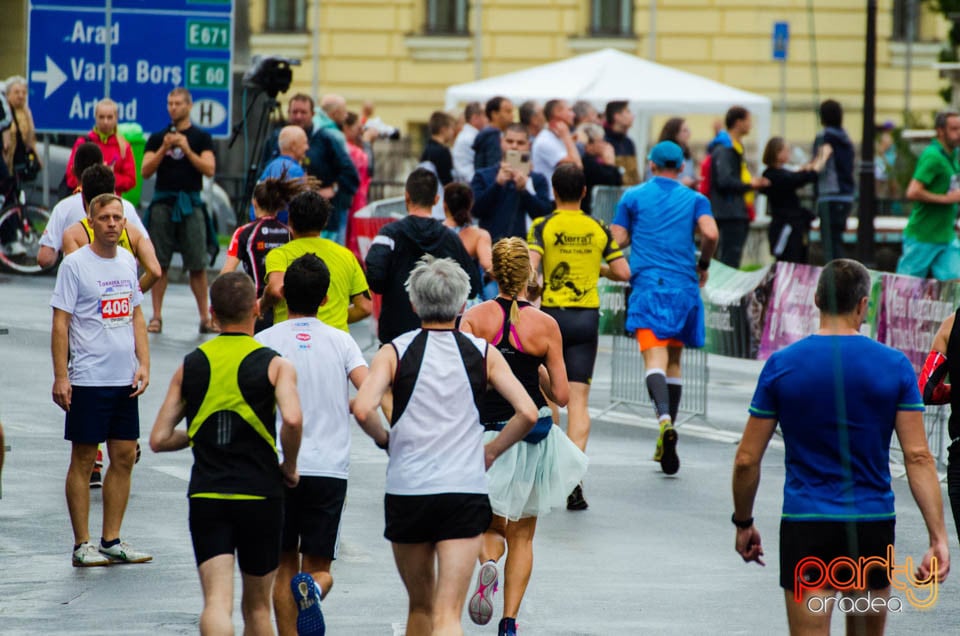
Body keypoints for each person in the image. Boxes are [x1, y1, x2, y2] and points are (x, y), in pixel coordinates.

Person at [733, 259, 950, 636]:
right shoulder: (894, 366)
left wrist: (744, 522)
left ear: (816, 299)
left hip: (807, 529)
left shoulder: (781, 366)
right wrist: (938, 538)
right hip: (870, 529)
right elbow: (917, 456)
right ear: (864, 305)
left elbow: (747, 460)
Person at [352, 255, 538, 636]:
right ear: (463, 304)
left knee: (420, 607)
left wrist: (387, 440)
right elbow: (528, 413)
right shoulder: (482, 354)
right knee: (448, 614)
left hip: (409, 489)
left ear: (414, 303)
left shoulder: (394, 351)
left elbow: (362, 407)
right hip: (463, 488)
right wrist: (492, 451)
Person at [149, 272, 303, 636]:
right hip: (260, 493)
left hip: (208, 495)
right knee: (258, 608)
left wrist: (199, 433)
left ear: (213, 314)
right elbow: (293, 419)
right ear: (255, 308)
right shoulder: (276, 364)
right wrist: (290, 465)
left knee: (217, 602)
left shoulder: (192, 364)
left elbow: (158, 438)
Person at [460, 237, 586, 636]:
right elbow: (563, 397)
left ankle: (488, 564)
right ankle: (509, 622)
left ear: (493, 272)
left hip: (486, 438)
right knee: (524, 535)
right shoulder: (546, 325)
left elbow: (461, 380)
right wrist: (542, 376)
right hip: (532, 438)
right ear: (530, 276)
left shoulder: (474, 318)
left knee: (488, 526)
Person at [254, 254, 368, 636]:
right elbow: (368, 388)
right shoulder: (342, 342)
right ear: (325, 299)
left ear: (284, 294)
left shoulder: (263, 341)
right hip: (329, 470)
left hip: (279, 467)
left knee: (282, 565)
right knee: (318, 567)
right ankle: (316, 589)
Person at [51, 193, 151, 567]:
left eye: (117, 217)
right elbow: (60, 323)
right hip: (89, 378)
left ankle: (112, 539)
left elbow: (136, 315)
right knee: (83, 457)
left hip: (124, 378)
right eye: (105, 217)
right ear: (91, 223)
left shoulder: (127, 261)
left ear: (125, 223)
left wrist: (144, 364)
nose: (112, 223)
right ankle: (82, 544)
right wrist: (62, 375)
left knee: (124, 456)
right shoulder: (75, 266)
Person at [611, 140, 719, 475]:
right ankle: (670, 428)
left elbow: (616, 239)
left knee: (653, 359)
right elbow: (711, 233)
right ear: (681, 166)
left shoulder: (633, 197)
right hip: (684, 288)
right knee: (674, 362)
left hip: (648, 287)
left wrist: (632, 237)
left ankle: (663, 421)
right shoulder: (696, 199)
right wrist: (703, 263)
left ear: (652, 164)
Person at [527, 164, 630, 509]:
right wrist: (593, 267)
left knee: (553, 398)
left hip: (552, 318)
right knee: (580, 403)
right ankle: (574, 478)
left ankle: (552, 469)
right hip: (586, 319)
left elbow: (530, 272)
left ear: (554, 191)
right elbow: (622, 271)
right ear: (584, 192)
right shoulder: (598, 227)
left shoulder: (542, 225)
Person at [365, 168, 482, 344]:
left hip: (396, 335)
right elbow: (473, 285)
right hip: (439, 338)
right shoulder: (450, 238)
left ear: (406, 196)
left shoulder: (389, 234)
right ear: (436, 200)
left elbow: (375, 277)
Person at [141, 87, 217, 335]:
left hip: (190, 203)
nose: (173, 107)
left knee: (197, 262)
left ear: (189, 106)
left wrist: (186, 149)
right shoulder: (157, 137)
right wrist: (164, 149)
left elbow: (209, 169)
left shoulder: (201, 138)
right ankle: (157, 316)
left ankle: (205, 317)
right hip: (163, 202)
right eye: (169, 103)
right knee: (159, 262)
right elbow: (145, 171)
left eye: (177, 103)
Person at [261, 190, 370, 333]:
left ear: (290, 221)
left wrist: (262, 305)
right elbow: (365, 306)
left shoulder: (280, 255)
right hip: (335, 343)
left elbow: (276, 289)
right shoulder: (346, 255)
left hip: (290, 341)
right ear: (325, 222)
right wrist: (336, 318)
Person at [39, 143, 150, 270]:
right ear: (104, 167)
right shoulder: (125, 207)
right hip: (122, 284)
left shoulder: (64, 208)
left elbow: (45, 258)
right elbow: (149, 257)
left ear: (73, 170)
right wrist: (136, 288)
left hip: (85, 285)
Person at [222, 177, 310, 332]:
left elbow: (226, 274)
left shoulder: (244, 233)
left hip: (257, 309)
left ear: (254, 202)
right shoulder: (290, 233)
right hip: (287, 311)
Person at [62, 165, 162, 293]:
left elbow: (74, 280)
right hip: (123, 309)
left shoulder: (74, 234)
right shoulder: (132, 231)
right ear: (114, 193)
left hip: (90, 309)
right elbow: (155, 271)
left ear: (83, 196)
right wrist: (130, 296)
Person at [896, 110, 960, 280]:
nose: (958, 133)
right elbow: (913, 191)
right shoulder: (932, 156)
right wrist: (947, 199)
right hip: (923, 236)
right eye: (954, 129)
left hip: (946, 236)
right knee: (906, 287)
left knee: (956, 284)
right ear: (940, 131)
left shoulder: (952, 156)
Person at [471, 124, 553, 242]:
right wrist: (497, 185)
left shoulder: (538, 179)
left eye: (520, 143)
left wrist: (525, 191)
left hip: (525, 248)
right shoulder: (483, 175)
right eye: (509, 141)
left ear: (528, 145)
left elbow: (544, 215)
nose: (514, 146)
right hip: (491, 247)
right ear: (501, 142)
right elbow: (475, 210)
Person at [709, 105, 768, 269]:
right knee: (728, 261)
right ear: (738, 122)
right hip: (729, 212)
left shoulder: (734, 147)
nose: (751, 125)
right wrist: (749, 185)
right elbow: (724, 180)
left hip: (734, 210)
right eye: (748, 120)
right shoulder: (726, 149)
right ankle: (725, 294)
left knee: (730, 259)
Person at [760, 137, 832, 264]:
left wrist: (817, 159)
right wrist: (823, 157)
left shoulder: (780, 172)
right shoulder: (774, 176)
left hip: (793, 226)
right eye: (786, 151)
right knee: (789, 262)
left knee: (799, 259)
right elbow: (805, 176)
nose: (789, 154)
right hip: (785, 228)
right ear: (777, 153)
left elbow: (803, 171)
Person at [813, 99, 856, 263]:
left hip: (830, 195)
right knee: (837, 238)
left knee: (830, 244)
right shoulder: (846, 138)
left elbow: (818, 164)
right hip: (846, 196)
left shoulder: (824, 137)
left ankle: (837, 276)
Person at [65, 98, 135, 195]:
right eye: (101, 117)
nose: (105, 122)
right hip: (85, 200)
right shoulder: (82, 143)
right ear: (95, 117)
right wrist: (95, 176)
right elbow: (71, 177)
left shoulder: (123, 146)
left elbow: (131, 180)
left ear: (116, 118)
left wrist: (110, 176)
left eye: (110, 117)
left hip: (111, 202)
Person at [443, 182, 494, 300]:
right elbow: (488, 265)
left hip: (440, 299)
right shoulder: (479, 235)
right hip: (469, 302)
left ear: (444, 205)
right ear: (470, 205)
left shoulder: (434, 232)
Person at [249, 125, 309, 224]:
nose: (307, 147)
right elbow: (303, 208)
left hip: (261, 227)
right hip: (285, 232)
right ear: (293, 146)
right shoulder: (295, 171)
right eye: (305, 143)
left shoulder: (270, 167)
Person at [532, 99, 582, 200]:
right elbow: (577, 167)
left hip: (561, 199)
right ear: (557, 112)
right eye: (569, 110)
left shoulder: (557, 138)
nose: (573, 114)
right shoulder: (545, 141)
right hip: (550, 199)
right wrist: (567, 137)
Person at [578, 122, 622, 217]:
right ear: (589, 144)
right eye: (601, 141)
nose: (604, 144)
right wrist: (610, 163)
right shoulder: (587, 162)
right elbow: (610, 180)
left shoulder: (596, 161)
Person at [2, 76, 40, 185]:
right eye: (17, 92)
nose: (21, 96)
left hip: (19, 165)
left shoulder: (26, 113)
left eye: (24, 93)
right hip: (5, 162)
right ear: (8, 94)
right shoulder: (3, 113)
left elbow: (30, 140)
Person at [474, 96, 515, 173]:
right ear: (494, 114)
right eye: (508, 111)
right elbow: (493, 167)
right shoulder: (491, 136)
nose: (512, 115)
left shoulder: (492, 134)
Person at [604, 101, 640, 185]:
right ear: (617, 116)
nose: (632, 116)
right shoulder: (604, 142)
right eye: (627, 111)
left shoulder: (629, 143)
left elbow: (634, 174)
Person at [657, 118, 697, 188]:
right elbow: (654, 181)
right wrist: (681, 182)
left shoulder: (687, 154)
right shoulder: (661, 155)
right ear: (674, 134)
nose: (689, 133)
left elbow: (690, 175)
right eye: (684, 131)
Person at [453, 102, 486, 183]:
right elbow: (468, 173)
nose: (489, 119)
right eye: (486, 115)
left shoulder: (470, 136)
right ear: (475, 118)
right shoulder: (470, 138)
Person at [420, 111, 456, 186]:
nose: (453, 132)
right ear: (443, 129)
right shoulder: (443, 151)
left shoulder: (426, 149)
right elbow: (447, 180)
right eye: (451, 128)